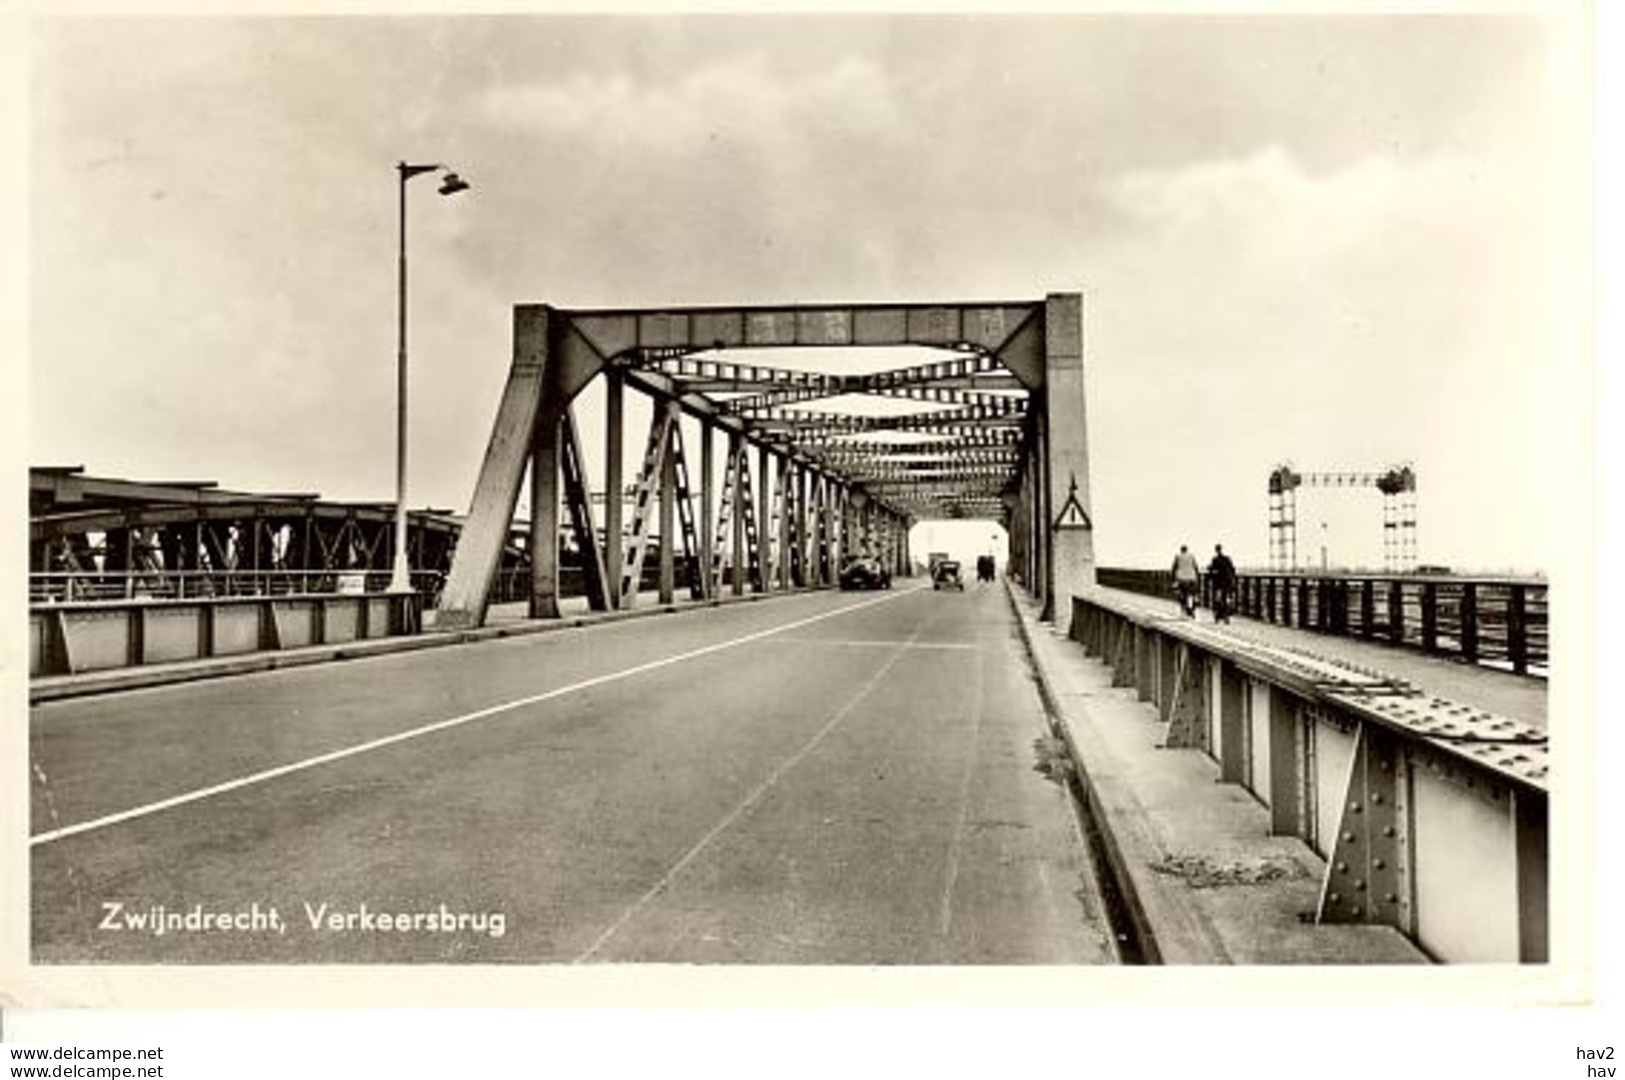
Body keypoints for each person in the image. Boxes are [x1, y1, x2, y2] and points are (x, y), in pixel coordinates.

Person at [1207, 543, 1237, 624]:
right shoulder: (1227, 559)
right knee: (1225, 598)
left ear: (1216, 550)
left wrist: (1209, 576)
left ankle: (1219, 615)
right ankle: (1226, 615)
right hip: (1227, 582)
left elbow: (1212, 570)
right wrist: (1232, 579)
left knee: (1218, 599)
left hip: (1218, 583)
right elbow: (1233, 569)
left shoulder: (1215, 560)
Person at [1170, 544, 1201, 617]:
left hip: (1181, 579)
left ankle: (1187, 608)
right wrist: (1197, 577)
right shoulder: (1191, 556)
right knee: (1193, 594)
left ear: (1181, 550)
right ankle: (1193, 607)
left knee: (1182, 594)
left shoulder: (1178, 556)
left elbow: (1174, 568)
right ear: (1187, 550)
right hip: (1192, 578)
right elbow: (1196, 567)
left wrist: (1173, 579)